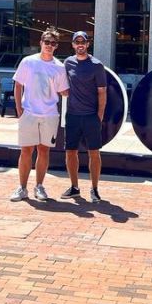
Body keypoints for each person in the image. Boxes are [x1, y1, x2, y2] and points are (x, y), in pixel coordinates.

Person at [10, 28, 69, 202]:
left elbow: (64, 91)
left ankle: (39, 186)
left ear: (56, 46)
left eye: (53, 43)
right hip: (29, 113)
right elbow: (18, 84)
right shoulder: (28, 62)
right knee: (26, 150)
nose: (49, 45)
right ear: (41, 43)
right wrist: (20, 110)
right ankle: (22, 188)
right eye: (47, 42)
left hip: (50, 115)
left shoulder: (59, 67)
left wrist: (84, 88)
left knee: (44, 151)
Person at [60, 31, 107, 203]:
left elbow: (102, 92)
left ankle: (94, 189)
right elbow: (62, 84)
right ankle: (74, 187)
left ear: (88, 44)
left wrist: (99, 115)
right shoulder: (68, 62)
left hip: (90, 116)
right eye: (77, 41)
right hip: (72, 115)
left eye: (83, 41)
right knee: (70, 152)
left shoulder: (96, 65)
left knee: (94, 153)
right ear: (73, 44)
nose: (80, 44)